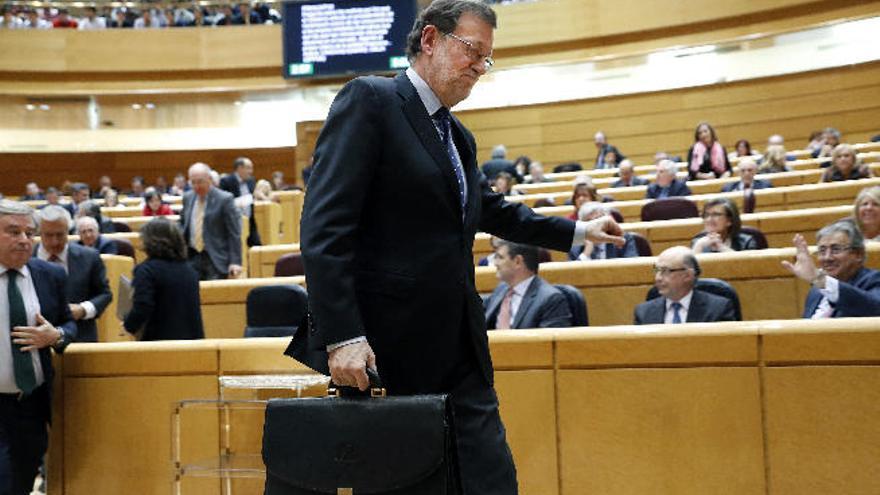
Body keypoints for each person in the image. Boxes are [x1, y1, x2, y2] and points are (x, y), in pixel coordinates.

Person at [286, 2, 624, 493]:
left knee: (491, 479)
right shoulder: (371, 101)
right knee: (407, 484)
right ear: (430, 40)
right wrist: (342, 335)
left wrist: (576, 232)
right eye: (472, 51)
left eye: (487, 59)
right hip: (389, 349)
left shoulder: (457, 134)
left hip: (459, 346)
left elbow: (493, 210)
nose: (479, 68)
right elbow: (324, 227)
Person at [0, 200, 76, 495]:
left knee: (21, 479)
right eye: (13, 231)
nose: (23, 240)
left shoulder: (50, 275)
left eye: (29, 233)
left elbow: (70, 327)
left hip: (31, 405)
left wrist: (54, 335)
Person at [34, 206, 112, 343]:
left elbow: (105, 294)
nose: (54, 241)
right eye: (48, 235)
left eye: (60, 235)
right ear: (39, 232)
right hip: (35, 339)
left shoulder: (89, 256)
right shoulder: (26, 258)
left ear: (68, 231)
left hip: (80, 337)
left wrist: (83, 309)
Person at [123, 218, 204, 340]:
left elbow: (143, 306)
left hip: (160, 344)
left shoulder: (146, 271)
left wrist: (128, 325)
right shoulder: (190, 270)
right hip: (193, 343)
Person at [782, 220, 880, 318]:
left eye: (836, 249)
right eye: (822, 251)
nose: (827, 258)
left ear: (858, 254)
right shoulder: (816, 291)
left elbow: (875, 308)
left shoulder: (874, 280)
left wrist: (819, 279)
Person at [634, 246, 736, 324]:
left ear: (687, 275)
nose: (658, 278)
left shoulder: (718, 309)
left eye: (665, 271)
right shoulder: (643, 312)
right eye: (656, 270)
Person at [484, 241, 572, 330]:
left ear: (517, 261)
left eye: (500, 257)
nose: (495, 263)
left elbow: (548, 342)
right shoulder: (502, 289)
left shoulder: (552, 300)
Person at [180, 163, 242, 280]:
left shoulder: (225, 199)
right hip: (192, 257)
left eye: (200, 181)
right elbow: (183, 224)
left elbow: (234, 233)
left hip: (215, 258)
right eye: (193, 182)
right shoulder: (188, 197)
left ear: (209, 179)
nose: (197, 186)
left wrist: (235, 262)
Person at [568, 202, 639, 260]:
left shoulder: (624, 239)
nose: (595, 227)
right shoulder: (574, 248)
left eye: (599, 220)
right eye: (590, 222)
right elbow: (571, 276)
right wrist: (585, 254)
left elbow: (632, 270)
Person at [219, 157, 261, 247]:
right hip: (234, 222)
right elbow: (223, 202)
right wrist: (245, 200)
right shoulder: (226, 181)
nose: (251, 171)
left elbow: (253, 197)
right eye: (248, 168)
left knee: (257, 247)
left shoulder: (251, 181)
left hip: (250, 221)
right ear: (239, 168)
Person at [691, 198, 759, 253]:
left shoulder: (747, 242)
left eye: (716, 214)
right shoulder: (697, 242)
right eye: (706, 215)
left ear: (729, 221)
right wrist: (699, 246)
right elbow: (691, 268)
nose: (709, 219)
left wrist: (722, 248)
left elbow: (748, 267)